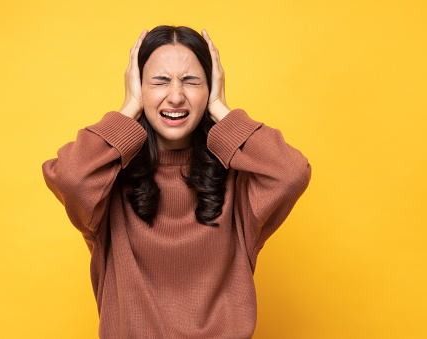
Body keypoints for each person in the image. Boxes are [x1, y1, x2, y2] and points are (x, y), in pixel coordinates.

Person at [42, 25, 311, 338]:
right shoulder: (107, 183)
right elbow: (71, 177)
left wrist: (220, 108)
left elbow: (292, 173)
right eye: (159, 81)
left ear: (210, 87)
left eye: (191, 81)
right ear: (138, 88)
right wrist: (128, 108)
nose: (175, 96)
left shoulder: (239, 183)